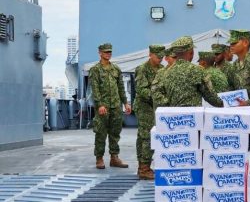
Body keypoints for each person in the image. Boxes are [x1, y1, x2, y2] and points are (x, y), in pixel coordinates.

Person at [89, 43, 132, 169]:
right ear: (100, 53)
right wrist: (100, 105)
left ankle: (114, 158)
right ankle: (99, 158)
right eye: (106, 52)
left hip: (116, 107)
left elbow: (120, 88)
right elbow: (95, 89)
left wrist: (125, 102)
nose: (108, 54)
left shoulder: (116, 69)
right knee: (101, 133)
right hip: (103, 107)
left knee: (115, 133)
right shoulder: (95, 70)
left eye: (110, 52)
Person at [152, 36, 223, 107]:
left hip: (175, 116)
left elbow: (156, 93)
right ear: (191, 52)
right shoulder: (197, 70)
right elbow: (210, 96)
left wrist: (169, 106)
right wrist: (222, 104)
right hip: (194, 116)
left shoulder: (166, 72)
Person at [133, 45, 165, 180]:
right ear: (150, 54)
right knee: (147, 137)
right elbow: (141, 90)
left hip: (155, 107)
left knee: (144, 136)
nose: (160, 59)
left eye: (162, 57)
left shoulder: (162, 69)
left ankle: (142, 166)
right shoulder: (142, 69)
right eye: (158, 56)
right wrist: (158, 98)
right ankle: (144, 168)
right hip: (144, 106)